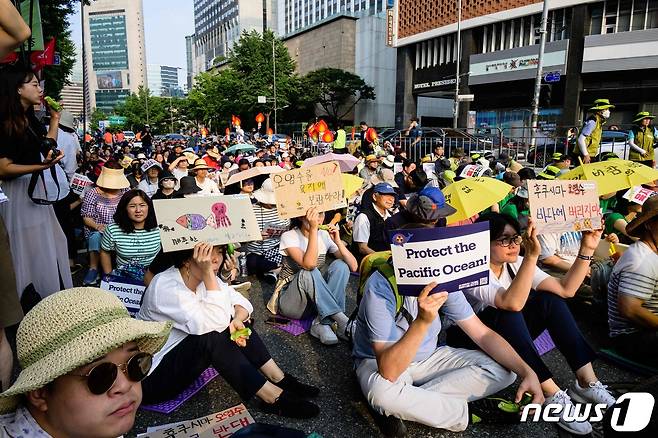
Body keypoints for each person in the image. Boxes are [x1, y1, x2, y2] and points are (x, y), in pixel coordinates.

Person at [352, 234, 543, 433]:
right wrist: (422, 322)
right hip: (379, 362)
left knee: (506, 371)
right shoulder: (381, 284)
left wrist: (528, 371)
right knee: (382, 393)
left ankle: (408, 404)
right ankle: (466, 413)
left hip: (428, 358)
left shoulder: (440, 277)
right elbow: (389, 370)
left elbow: (482, 333)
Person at [450, 213, 615, 435]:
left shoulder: (515, 262)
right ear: (482, 242)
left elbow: (566, 289)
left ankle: (587, 382)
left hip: (507, 333)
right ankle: (550, 392)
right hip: (471, 339)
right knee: (509, 312)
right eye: (504, 240)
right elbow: (510, 303)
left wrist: (587, 248)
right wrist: (531, 257)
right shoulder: (470, 269)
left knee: (550, 300)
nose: (514, 245)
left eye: (516, 238)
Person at [137, 243, 320, 418]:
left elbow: (241, 302)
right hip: (150, 377)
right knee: (213, 337)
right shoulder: (165, 286)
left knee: (236, 323)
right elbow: (216, 324)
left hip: (180, 358)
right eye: (207, 252)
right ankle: (272, 397)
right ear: (186, 258)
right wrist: (209, 274)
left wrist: (238, 318)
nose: (216, 259)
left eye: (220, 251)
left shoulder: (204, 277)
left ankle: (278, 377)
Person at [0, 287, 171, 437]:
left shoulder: (91, 426)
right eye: (100, 375)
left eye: (135, 364)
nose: (124, 385)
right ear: (40, 393)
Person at [0, 64, 73, 299]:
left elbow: (46, 146)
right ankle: (23, 299)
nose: (39, 89)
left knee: (48, 243)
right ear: (18, 89)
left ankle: (44, 296)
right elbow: (4, 168)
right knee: (23, 247)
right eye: (33, 84)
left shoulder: (28, 118)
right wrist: (41, 167)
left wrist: (55, 119)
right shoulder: (5, 122)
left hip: (34, 189)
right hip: (16, 193)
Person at [268, 207, 358, 345]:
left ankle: (322, 323)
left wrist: (338, 241)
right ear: (300, 217)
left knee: (341, 266)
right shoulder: (289, 236)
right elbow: (309, 265)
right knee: (308, 271)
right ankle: (341, 320)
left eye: (321, 213)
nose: (318, 217)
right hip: (292, 302)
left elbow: (353, 266)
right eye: (313, 214)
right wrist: (314, 230)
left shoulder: (324, 235)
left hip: (317, 300)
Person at [607, 195, 658, 367]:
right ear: (650, 225)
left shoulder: (650, 254)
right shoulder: (641, 260)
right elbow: (630, 309)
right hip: (634, 337)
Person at [81, 164, 130, 285]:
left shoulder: (126, 191)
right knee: (96, 236)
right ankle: (93, 268)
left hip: (120, 227)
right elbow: (86, 217)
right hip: (97, 227)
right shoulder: (92, 193)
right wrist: (97, 226)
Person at [100, 189, 161, 282]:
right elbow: (105, 252)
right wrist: (109, 276)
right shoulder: (113, 229)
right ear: (124, 208)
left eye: (142, 205)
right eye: (132, 206)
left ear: (149, 207)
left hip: (154, 274)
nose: (138, 210)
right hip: (124, 276)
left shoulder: (160, 227)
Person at [244, 179, 290, 283]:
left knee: (288, 255)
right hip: (256, 250)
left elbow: (287, 227)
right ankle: (275, 270)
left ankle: (273, 270)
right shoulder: (251, 210)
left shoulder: (283, 210)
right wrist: (256, 235)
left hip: (276, 247)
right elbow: (243, 235)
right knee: (253, 264)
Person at [351, 183, 396, 262]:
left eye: (392, 196)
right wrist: (384, 259)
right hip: (367, 263)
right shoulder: (363, 217)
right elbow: (362, 248)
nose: (391, 199)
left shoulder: (391, 217)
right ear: (375, 197)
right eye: (386, 195)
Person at [575, 99, 614, 164]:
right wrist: (586, 155)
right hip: (584, 155)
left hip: (589, 154)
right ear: (599, 111)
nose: (608, 111)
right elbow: (581, 139)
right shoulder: (593, 122)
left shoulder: (599, 122)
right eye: (606, 109)